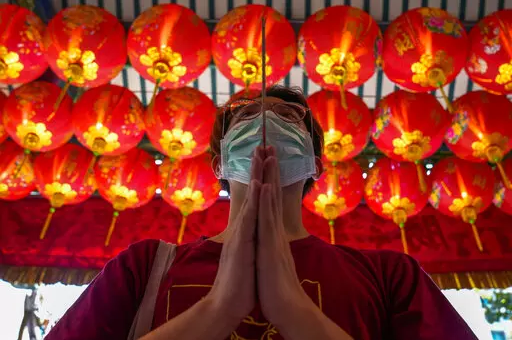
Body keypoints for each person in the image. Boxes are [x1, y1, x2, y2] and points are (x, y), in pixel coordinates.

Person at [46, 86, 477, 340]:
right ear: (219, 164)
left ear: (316, 164)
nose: (267, 119)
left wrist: (294, 310)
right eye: (247, 116)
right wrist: (216, 310)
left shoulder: (389, 277)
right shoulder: (144, 268)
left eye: (290, 116)